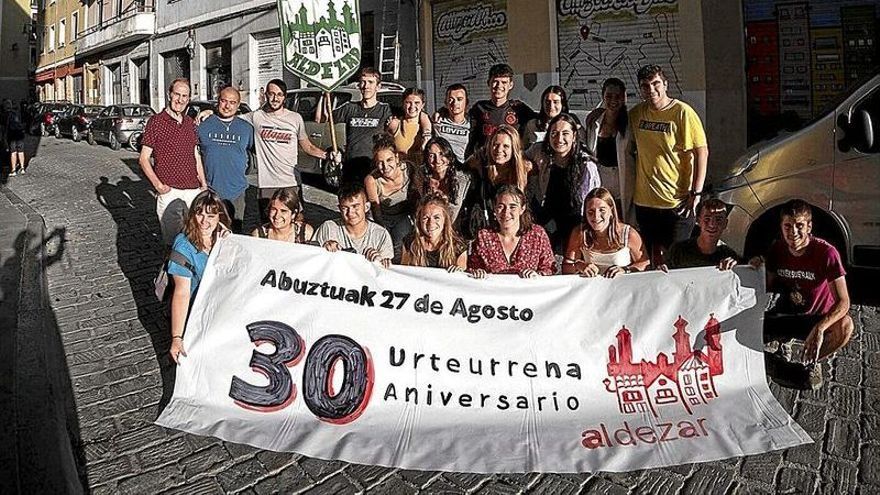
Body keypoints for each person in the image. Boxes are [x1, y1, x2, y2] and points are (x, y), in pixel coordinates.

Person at [759, 200, 853, 388]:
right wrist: (758, 266)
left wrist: (820, 328)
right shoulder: (777, 249)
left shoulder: (827, 253)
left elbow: (844, 302)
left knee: (845, 326)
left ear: (809, 226)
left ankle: (813, 357)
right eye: (788, 226)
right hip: (787, 312)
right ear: (781, 227)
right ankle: (780, 345)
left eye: (799, 226)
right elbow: (765, 287)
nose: (793, 232)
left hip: (815, 317)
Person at [628, 65, 709, 266]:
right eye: (645, 86)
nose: (651, 90)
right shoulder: (637, 113)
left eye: (656, 84)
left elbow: (702, 152)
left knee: (676, 262)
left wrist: (696, 193)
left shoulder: (682, 112)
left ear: (665, 85)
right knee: (649, 262)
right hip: (645, 204)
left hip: (676, 204)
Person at [242, 79, 334, 220]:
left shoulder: (295, 118)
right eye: (272, 94)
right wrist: (210, 112)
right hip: (267, 183)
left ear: (284, 97)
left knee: (297, 220)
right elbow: (230, 118)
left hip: (290, 181)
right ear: (266, 94)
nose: (275, 98)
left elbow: (308, 146)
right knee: (269, 223)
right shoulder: (256, 116)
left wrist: (328, 156)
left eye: (279, 94)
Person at [140, 78, 207, 246]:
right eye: (177, 94)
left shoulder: (190, 124)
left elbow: (196, 156)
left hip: (193, 191)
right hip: (170, 192)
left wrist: (203, 184)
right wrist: (159, 186)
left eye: (185, 96)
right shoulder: (156, 122)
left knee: (196, 240)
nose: (180, 99)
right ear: (169, 95)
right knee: (173, 244)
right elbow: (143, 159)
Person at [168, 190, 231, 364]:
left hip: (221, 309)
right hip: (197, 311)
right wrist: (177, 337)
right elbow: (181, 293)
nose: (204, 221)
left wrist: (231, 244)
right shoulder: (183, 245)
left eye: (211, 216)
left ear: (219, 216)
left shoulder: (225, 239)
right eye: (200, 214)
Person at [527, 113, 601, 251]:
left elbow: (592, 202)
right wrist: (528, 165)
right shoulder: (539, 151)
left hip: (575, 226)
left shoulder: (586, 166)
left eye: (565, 133)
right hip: (543, 223)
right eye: (554, 133)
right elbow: (517, 157)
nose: (559, 139)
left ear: (574, 136)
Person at [197, 86, 253, 232]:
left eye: (232, 102)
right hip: (210, 191)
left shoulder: (246, 128)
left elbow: (253, 151)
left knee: (235, 233)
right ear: (218, 102)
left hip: (237, 192)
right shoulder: (203, 125)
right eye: (224, 101)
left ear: (238, 105)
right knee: (208, 232)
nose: (227, 106)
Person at [468, 185, 556, 278]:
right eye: (501, 206)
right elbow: (472, 268)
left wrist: (537, 275)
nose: (506, 212)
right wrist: (478, 272)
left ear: (522, 209)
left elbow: (549, 268)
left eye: (512, 207)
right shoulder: (484, 237)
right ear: (494, 208)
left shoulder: (537, 234)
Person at [324, 67, 393, 183]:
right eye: (363, 82)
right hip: (351, 166)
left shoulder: (385, 110)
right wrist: (324, 94)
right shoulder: (350, 107)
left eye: (371, 82)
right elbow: (324, 117)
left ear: (378, 87)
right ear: (359, 85)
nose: (366, 86)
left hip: (375, 167)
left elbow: (410, 117)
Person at [562, 187, 649, 278]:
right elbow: (566, 267)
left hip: (623, 287)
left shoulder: (629, 234)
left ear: (611, 210)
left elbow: (645, 263)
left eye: (602, 210)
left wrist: (625, 270)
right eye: (590, 212)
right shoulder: (580, 233)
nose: (596, 217)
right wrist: (578, 266)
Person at [364, 134, 420, 263]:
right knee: (385, 243)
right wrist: (382, 230)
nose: (385, 166)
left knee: (399, 238)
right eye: (380, 163)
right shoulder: (372, 180)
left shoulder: (409, 169)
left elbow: (418, 193)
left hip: (406, 215)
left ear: (396, 157)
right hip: (385, 218)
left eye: (389, 160)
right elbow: (375, 210)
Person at [314, 182, 394, 267]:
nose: (350, 213)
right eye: (345, 208)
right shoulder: (329, 228)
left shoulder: (380, 234)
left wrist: (379, 260)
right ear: (339, 209)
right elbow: (312, 260)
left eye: (355, 206)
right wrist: (323, 249)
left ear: (366, 207)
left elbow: (387, 272)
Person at [466, 64, 537, 157]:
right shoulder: (479, 108)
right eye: (495, 81)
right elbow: (462, 122)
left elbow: (542, 120)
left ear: (511, 85)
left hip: (511, 163)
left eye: (504, 82)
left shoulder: (519, 108)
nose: (499, 86)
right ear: (488, 83)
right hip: (485, 163)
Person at [584, 78, 629, 209]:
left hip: (622, 181)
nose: (613, 100)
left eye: (618, 96)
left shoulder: (630, 123)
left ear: (624, 97)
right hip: (600, 179)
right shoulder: (594, 122)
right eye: (609, 96)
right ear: (603, 96)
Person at [661, 198, 740, 270]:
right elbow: (665, 276)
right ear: (698, 221)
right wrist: (661, 271)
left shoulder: (729, 256)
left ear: (725, 223)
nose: (712, 224)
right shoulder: (679, 250)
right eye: (707, 219)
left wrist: (735, 267)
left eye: (718, 219)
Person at [401, 193, 467, 271]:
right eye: (425, 218)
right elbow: (403, 273)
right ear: (419, 220)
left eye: (436, 218)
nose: (430, 223)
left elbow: (462, 278)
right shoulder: (410, 242)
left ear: (445, 220)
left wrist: (459, 271)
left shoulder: (458, 246)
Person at [422, 136, 471, 224]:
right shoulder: (421, 176)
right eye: (431, 155)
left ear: (449, 156)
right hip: (429, 225)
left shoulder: (462, 179)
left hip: (454, 226)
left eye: (441, 154)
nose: (437, 160)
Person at [387, 88, 432, 165]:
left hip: (421, 172)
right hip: (400, 171)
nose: (412, 106)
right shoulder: (395, 124)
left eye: (417, 102)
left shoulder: (429, 124)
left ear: (423, 105)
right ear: (403, 104)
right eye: (408, 102)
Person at [433, 84, 471, 163]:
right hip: (441, 166)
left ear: (466, 102)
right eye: (450, 99)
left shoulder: (472, 123)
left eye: (459, 99)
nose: (455, 103)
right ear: (445, 102)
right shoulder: (437, 121)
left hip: (462, 168)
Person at [5, 103, 27, 176]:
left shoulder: (8, 115)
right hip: (20, 134)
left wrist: (5, 136)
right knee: (21, 151)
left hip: (12, 134)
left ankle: (14, 170)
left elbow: (6, 126)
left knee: (13, 152)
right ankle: (22, 168)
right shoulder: (20, 114)